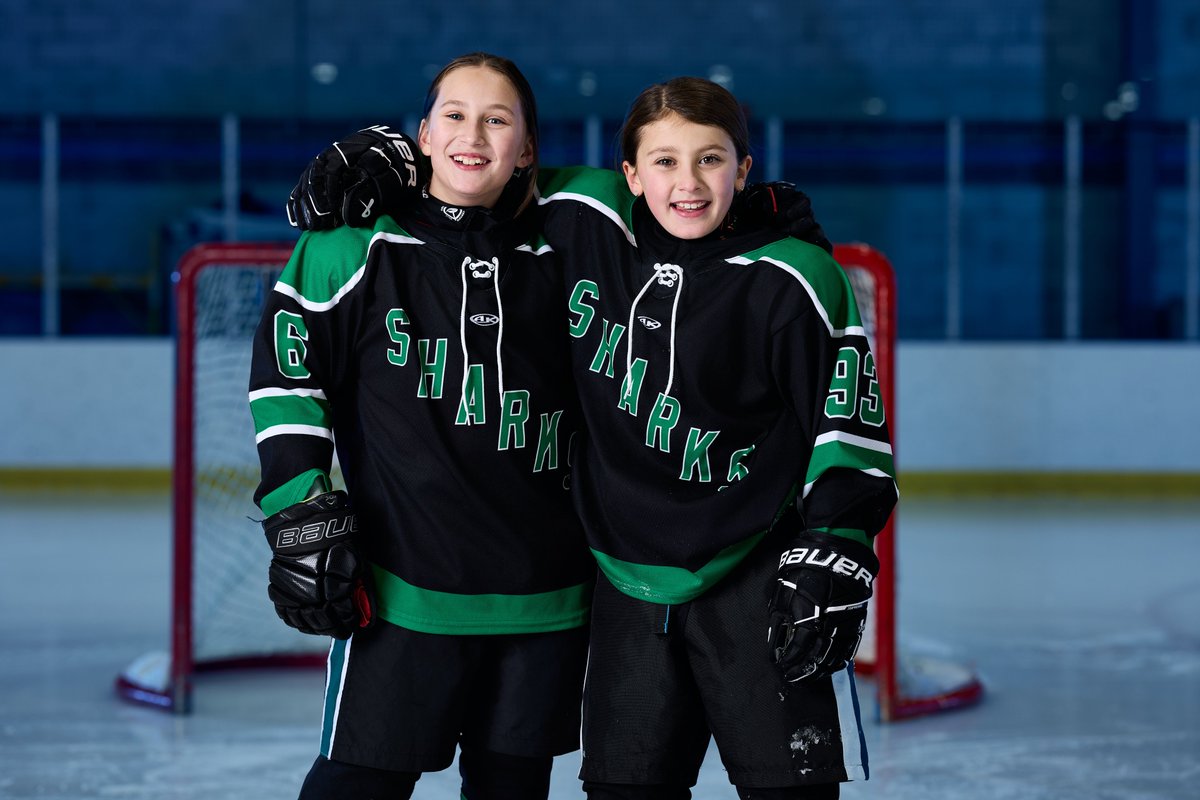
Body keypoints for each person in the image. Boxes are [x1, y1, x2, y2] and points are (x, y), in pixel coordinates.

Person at [290, 76, 896, 800]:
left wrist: (841, 538)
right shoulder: (586, 220)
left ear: (746, 167)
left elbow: (847, 417)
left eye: (711, 159)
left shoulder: (794, 276)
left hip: (752, 572)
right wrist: (395, 160)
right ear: (630, 176)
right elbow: (481, 172)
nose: (688, 181)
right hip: (622, 583)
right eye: (665, 162)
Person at [249, 53, 595, 800]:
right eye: (455, 116)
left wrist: (757, 208)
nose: (475, 135)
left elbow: (664, 190)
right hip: (403, 590)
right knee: (356, 783)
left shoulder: (573, 239)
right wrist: (296, 504)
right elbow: (287, 380)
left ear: (529, 149)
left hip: (547, 597)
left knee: (512, 786)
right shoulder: (349, 242)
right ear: (422, 137)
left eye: (499, 120)